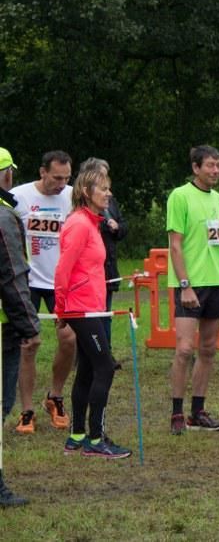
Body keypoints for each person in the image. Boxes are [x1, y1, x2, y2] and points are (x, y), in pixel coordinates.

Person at [54, 165, 130, 459]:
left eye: (109, 188)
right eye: (104, 188)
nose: (109, 193)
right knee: (105, 367)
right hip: (81, 308)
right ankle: (96, 440)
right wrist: (61, 308)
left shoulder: (92, 223)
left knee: (87, 369)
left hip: (92, 307)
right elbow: (63, 269)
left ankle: (76, 437)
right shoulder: (79, 224)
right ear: (86, 192)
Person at [167, 145, 219, 435]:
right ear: (196, 168)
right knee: (184, 349)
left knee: (208, 349)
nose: (216, 170)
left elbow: (217, 243)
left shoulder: (218, 198)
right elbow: (175, 244)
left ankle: (198, 411)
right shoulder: (180, 196)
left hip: (215, 281)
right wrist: (185, 285)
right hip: (189, 284)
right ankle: (176, 412)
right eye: (210, 165)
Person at [11, 150, 75, 435]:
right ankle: (26, 411)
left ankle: (55, 396)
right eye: (56, 177)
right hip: (27, 281)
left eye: (66, 178)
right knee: (29, 345)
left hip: (60, 281)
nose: (61, 184)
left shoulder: (74, 196)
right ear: (42, 172)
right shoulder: (19, 197)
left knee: (69, 339)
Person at [0, 146, 41, 505]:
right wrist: (29, 326)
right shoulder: (3, 218)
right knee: (1, 402)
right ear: (6, 175)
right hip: (3, 329)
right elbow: (12, 276)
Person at [79, 158, 127, 363]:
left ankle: (104, 353)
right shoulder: (80, 217)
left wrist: (118, 227)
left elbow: (124, 226)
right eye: (102, 183)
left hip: (108, 268)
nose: (108, 191)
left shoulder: (110, 202)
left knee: (105, 313)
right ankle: (89, 355)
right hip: (88, 275)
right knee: (89, 317)